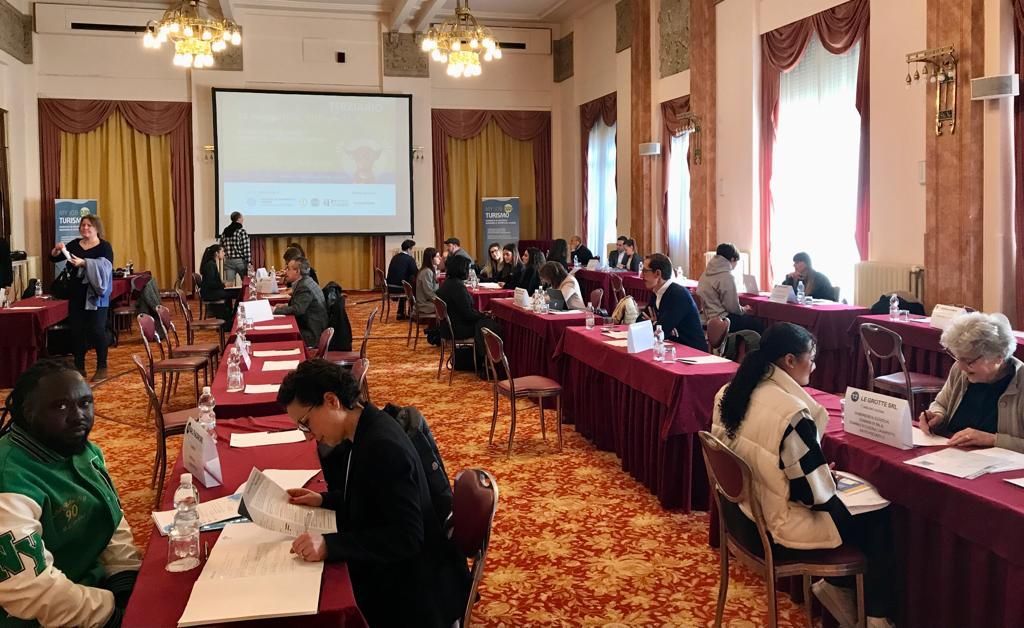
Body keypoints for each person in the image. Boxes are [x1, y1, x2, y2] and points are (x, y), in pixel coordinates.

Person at [712, 323, 895, 627]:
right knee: (877, 515)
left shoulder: (729, 392)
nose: (814, 366)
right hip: (776, 525)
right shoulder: (791, 411)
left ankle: (838, 589)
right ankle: (874, 616)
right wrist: (823, 477)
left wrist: (814, 470)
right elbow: (813, 496)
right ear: (789, 360)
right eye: (811, 358)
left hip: (740, 516)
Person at [278, 361, 470, 628]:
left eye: (305, 423)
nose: (309, 436)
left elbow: (406, 538)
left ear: (332, 401)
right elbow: (372, 496)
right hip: (401, 570)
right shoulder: (364, 426)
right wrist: (324, 499)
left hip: (413, 593)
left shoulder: (381, 446)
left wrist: (330, 546)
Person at [0, 359, 141, 627]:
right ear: (27, 413)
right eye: (61, 406)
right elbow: (32, 592)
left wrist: (125, 583)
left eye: (85, 402)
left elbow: (110, 517)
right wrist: (112, 615)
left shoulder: (79, 450)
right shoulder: (9, 483)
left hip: (90, 595)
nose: (79, 416)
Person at [919, 312, 1024, 452]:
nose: (961, 367)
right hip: (952, 454)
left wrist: (993, 440)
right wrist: (937, 415)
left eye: (969, 361)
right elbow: (941, 404)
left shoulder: (1020, 382)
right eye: (958, 358)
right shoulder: (960, 370)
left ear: (999, 357)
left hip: (997, 463)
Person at [49, 214, 114, 381]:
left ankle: (102, 366)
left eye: (89, 225)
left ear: (97, 228)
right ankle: (79, 366)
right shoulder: (74, 244)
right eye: (83, 225)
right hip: (76, 294)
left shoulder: (104, 246)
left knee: (97, 330)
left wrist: (85, 263)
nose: (85, 228)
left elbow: (107, 267)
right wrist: (56, 250)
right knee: (77, 331)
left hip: (97, 295)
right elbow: (54, 258)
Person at [434, 255, 501, 359]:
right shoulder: (458, 287)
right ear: (461, 269)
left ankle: (485, 359)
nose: (469, 272)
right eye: (468, 269)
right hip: (458, 329)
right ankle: (488, 360)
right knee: (491, 325)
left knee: (486, 321)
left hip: (447, 327)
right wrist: (484, 315)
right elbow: (468, 315)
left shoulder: (448, 282)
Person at [642, 253, 707, 351]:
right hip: (672, 347)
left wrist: (655, 322)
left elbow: (662, 331)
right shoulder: (656, 292)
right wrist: (658, 324)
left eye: (645, 271)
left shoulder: (678, 295)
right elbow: (639, 322)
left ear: (658, 274)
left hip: (692, 351)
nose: (641, 275)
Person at [698, 243, 763, 333]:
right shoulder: (726, 276)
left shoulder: (706, 273)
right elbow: (732, 308)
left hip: (705, 317)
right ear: (732, 259)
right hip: (722, 320)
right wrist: (744, 309)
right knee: (757, 324)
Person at [274, 256, 328, 347]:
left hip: (311, 335)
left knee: (278, 335)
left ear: (297, 271)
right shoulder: (307, 281)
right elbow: (302, 304)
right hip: (312, 328)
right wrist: (285, 305)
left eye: (288, 269)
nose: (286, 272)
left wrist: (274, 310)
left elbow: (298, 309)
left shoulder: (304, 286)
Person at [199, 244, 234, 331]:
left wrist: (223, 284)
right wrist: (224, 285)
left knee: (233, 293)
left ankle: (229, 319)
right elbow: (210, 283)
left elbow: (213, 281)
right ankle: (228, 322)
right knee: (234, 293)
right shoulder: (210, 265)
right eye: (222, 251)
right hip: (209, 293)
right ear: (216, 253)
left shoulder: (212, 263)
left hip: (210, 291)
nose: (224, 253)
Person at [386, 239, 418, 320]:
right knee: (413, 287)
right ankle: (411, 312)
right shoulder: (409, 259)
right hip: (399, 287)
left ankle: (400, 312)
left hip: (389, 286)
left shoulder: (395, 257)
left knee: (406, 283)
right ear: (409, 249)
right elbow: (416, 273)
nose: (412, 252)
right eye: (412, 249)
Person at [219, 211, 250, 284]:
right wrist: (249, 262)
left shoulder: (225, 231)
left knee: (229, 284)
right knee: (246, 284)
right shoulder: (241, 231)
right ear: (238, 219)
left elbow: (221, 245)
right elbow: (246, 248)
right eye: (242, 217)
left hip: (228, 261)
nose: (243, 219)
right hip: (240, 262)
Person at [415, 247, 441, 317]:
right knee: (449, 306)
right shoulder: (427, 271)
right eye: (437, 256)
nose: (440, 258)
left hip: (428, 301)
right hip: (424, 304)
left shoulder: (429, 270)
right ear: (431, 258)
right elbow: (429, 292)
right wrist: (440, 301)